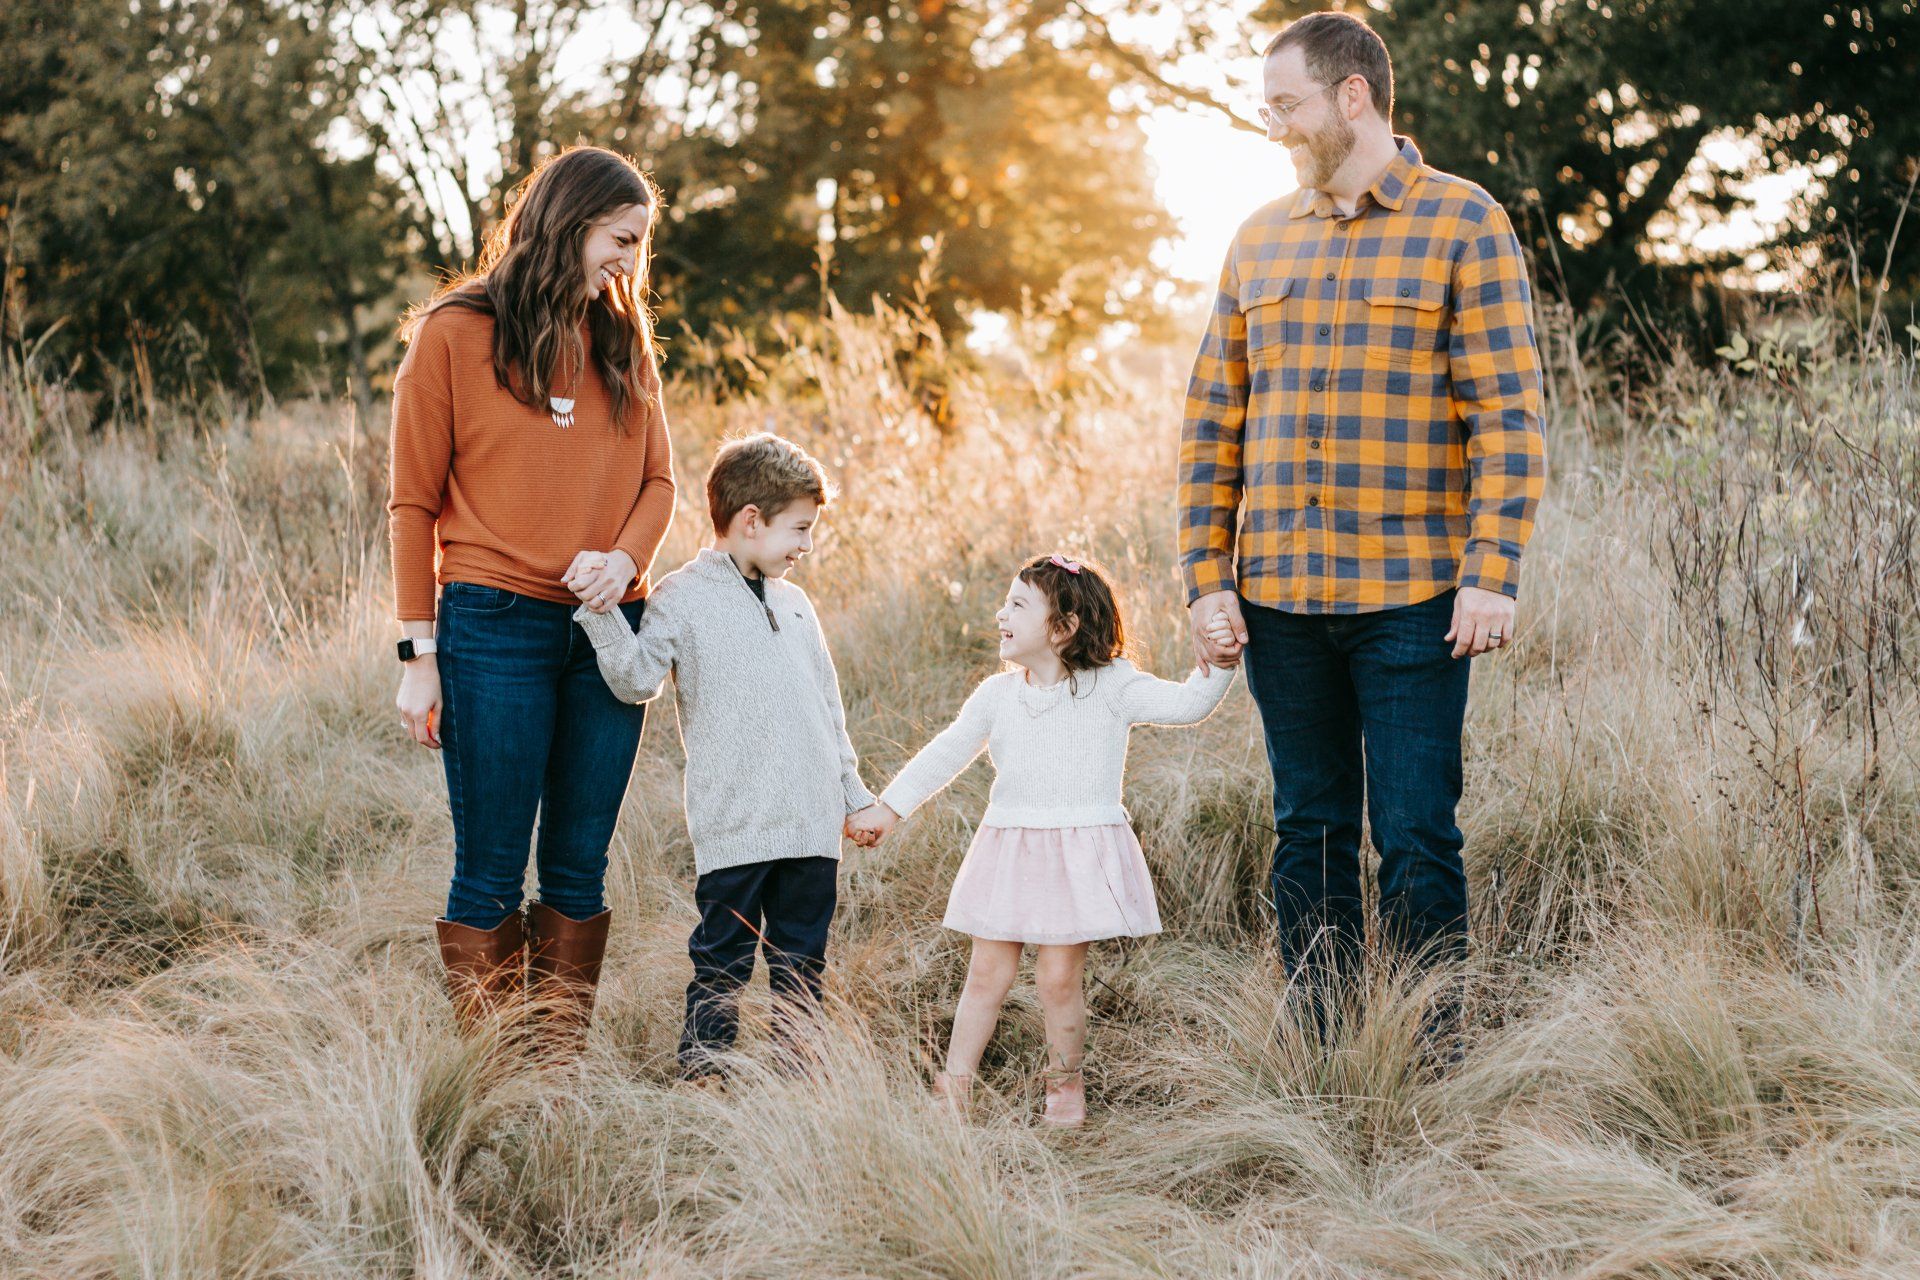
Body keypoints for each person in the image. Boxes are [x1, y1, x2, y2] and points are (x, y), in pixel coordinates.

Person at [1178, 11, 1547, 1035]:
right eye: (1267, 111)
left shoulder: (1465, 222)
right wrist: (1208, 575)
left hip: (1415, 599)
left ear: (1354, 96)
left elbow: (1508, 415)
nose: (1276, 128)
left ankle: (1431, 1048)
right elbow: (1213, 420)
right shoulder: (1256, 238)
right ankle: (1325, 1039)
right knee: (1309, 828)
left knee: (1418, 829)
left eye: (1287, 106)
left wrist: (1493, 568)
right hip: (1281, 599)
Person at [388, 145, 677, 1052]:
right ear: (568, 222)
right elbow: (412, 502)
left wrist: (622, 557)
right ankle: (492, 1072)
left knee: (579, 868)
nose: (632, 262)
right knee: (491, 867)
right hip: (491, 627)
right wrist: (418, 658)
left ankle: (555, 1070)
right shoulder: (453, 333)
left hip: (608, 634)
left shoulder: (623, 338)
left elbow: (661, 481)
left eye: (640, 245)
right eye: (621, 239)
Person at [852, 555, 1238, 1126]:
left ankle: (1065, 1084)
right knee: (987, 973)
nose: (1000, 614)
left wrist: (1222, 661)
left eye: (1016, 605)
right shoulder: (997, 695)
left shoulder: (1113, 687)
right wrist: (889, 808)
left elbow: (1187, 704)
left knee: (1058, 979)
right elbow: (947, 752)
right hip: (1010, 850)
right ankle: (955, 1085)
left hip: (1076, 855)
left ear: (1063, 627)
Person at [572, 433, 888, 1079]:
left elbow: (829, 712)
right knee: (721, 963)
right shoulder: (680, 598)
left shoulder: (797, 604)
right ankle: (705, 1083)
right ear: (751, 520)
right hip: (736, 825)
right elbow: (636, 680)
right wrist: (600, 613)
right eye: (799, 529)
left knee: (802, 966)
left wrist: (855, 796)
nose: (806, 545)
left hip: (809, 822)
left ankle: (796, 1087)